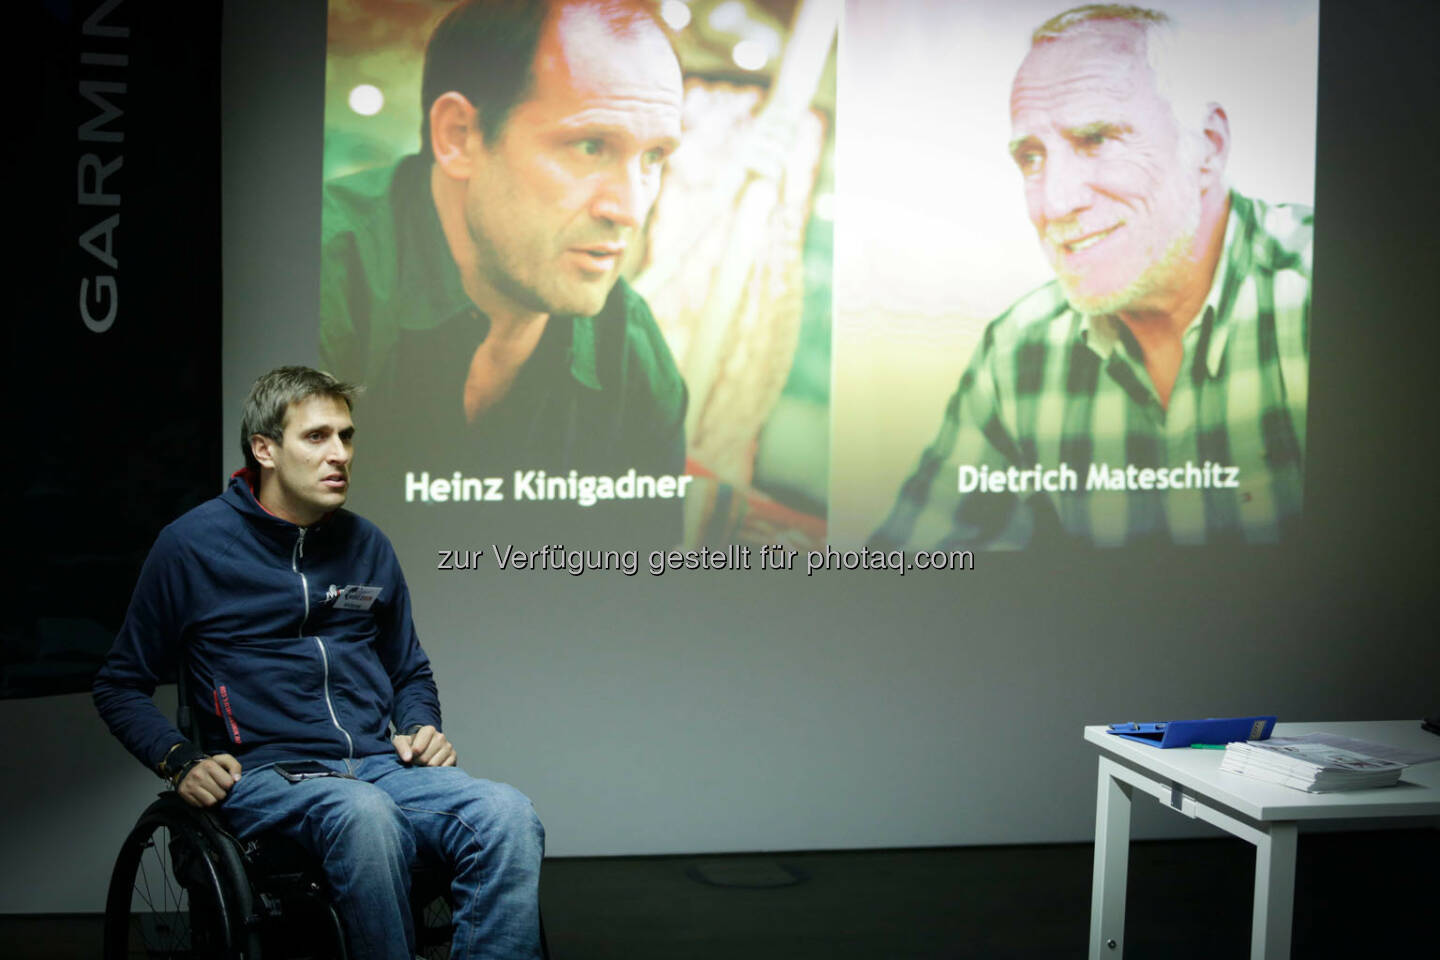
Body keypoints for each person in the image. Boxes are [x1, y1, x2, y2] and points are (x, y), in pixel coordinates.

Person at [93, 366, 545, 960]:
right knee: (361, 813)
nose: (340, 454)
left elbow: (409, 670)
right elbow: (119, 684)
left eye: (347, 436)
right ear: (265, 449)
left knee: (507, 813)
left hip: (379, 768)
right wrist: (179, 761)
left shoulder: (367, 544)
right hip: (265, 776)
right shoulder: (192, 546)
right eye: (316, 437)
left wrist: (419, 724)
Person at [870, 3, 1311, 550]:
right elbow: (914, 568)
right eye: (1031, 158)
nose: (1054, 202)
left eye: (1096, 139)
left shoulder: (1318, 294)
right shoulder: (1017, 353)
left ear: (1208, 148)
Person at [320, 0, 689, 545]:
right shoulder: (321, 282)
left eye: (654, 157)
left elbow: (635, 599)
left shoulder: (634, 359)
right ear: (459, 136)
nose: (631, 209)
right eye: (591, 146)